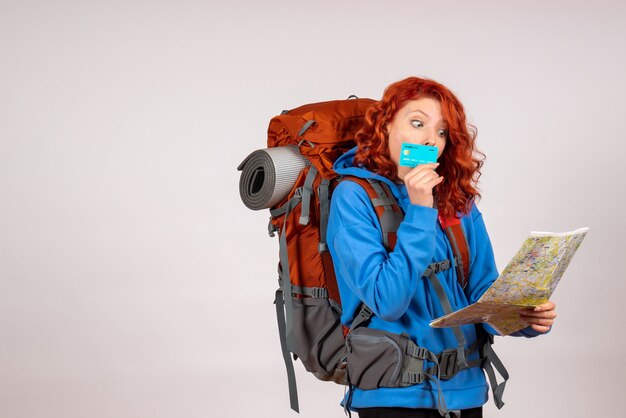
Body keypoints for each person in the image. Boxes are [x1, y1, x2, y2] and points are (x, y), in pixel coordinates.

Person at [326, 77, 557, 418]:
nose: (428, 140)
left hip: (464, 390)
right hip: (393, 395)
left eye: (442, 132)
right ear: (386, 126)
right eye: (417, 123)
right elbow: (387, 301)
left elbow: (482, 291)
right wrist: (420, 209)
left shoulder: (457, 201)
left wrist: (521, 317)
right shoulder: (353, 197)